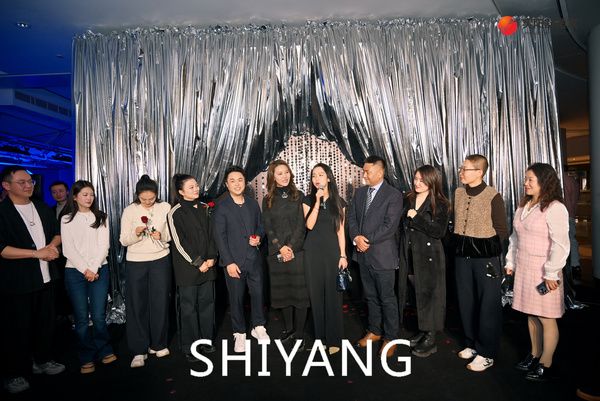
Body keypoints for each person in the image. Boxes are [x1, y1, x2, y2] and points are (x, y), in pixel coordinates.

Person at [0, 166, 65, 394]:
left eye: (31, 181)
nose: (29, 185)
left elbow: (57, 233)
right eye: (22, 182)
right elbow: (2, 249)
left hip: (46, 278)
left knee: (45, 323)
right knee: (17, 329)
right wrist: (36, 253)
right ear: (6, 185)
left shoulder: (41, 207)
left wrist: (51, 247)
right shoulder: (3, 212)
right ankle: (14, 373)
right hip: (18, 282)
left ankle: (43, 360)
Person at [505, 163, 569, 381]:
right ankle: (534, 354)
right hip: (525, 268)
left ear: (544, 181)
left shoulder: (555, 207)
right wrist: (510, 262)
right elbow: (515, 238)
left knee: (546, 317)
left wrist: (551, 273)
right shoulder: (524, 206)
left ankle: (546, 362)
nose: (525, 183)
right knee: (531, 314)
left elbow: (561, 244)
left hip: (545, 271)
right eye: (525, 179)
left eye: (530, 179)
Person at [453, 154, 508, 372]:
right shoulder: (458, 193)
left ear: (479, 172)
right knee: (466, 301)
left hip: (485, 260)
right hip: (462, 259)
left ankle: (487, 352)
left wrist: (483, 247)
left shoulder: (493, 195)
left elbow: (501, 231)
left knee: (488, 304)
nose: (461, 172)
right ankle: (471, 343)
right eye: (461, 168)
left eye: (465, 169)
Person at [347, 155, 403, 358]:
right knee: (370, 296)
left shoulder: (393, 195)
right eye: (363, 170)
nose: (364, 174)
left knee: (387, 298)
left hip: (382, 257)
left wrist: (366, 240)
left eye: (367, 171)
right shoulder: (360, 193)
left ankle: (391, 338)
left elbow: (389, 226)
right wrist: (356, 238)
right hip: (363, 256)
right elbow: (351, 218)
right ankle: (375, 331)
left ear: (380, 172)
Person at [61, 180, 116, 374]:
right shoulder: (66, 219)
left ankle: (104, 349)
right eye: (84, 194)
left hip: (100, 269)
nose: (89, 198)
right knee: (82, 317)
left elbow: (104, 246)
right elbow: (68, 249)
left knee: (99, 315)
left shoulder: (101, 217)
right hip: (74, 271)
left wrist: (93, 268)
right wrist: (86, 269)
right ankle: (86, 356)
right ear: (75, 197)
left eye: (91, 194)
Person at [213, 166, 270, 353]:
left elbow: (261, 226)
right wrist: (228, 262)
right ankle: (239, 333)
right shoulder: (221, 207)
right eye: (232, 181)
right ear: (226, 184)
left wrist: (258, 237)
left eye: (240, 180)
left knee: (258, 293)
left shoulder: (252, 204)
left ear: (245, 182)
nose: (237, 184)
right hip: (234, 262)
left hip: (253, 258)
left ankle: (258, 326)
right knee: (236, 298)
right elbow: (220, 237)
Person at [120, 175, 172, 368]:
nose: (148, 202)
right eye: (144, 199)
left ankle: (158, 344)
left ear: (157, 194)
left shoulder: (165, 207)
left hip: (160, 259)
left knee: (160, 302)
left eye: (152, 198)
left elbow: (171, 235)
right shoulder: (130, 210)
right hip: (136, 261)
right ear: (137, 195)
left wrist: (162, 235)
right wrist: (135, 234)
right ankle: (139, 350)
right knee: (137, 304)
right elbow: (123, 240)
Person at [398, 165, 449, 358]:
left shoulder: (441, 203)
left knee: (430, 295)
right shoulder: (408, 198)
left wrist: (417, 217)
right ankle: (423, 329)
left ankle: (430, 337)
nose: (417, 183)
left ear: (431, 180)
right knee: (417, 293)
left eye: (422, 180)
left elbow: (439, 231)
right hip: (410, 253)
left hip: (429, 256)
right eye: (415, 179)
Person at [167, 174, 218, 361]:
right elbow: (179, 243)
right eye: (191, 187)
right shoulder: (175, 212)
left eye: (196, 185)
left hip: (208, 265)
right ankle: (190, 346)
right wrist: (198, 262)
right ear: (181, 191)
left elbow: (212, 235)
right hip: (188, 269)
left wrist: (212, 257)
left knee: (207, 304)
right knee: (188, 308)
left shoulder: (205, 207)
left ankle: (206, 340)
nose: (196, 189)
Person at [262, 160, 309, 347]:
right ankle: (289, 329)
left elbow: (301, 225)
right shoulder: (267, 199)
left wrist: (290, 247)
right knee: (284, 294)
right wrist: (280, 247)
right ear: (273, 177)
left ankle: (299, 334)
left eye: (286, 172)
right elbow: (268, 227)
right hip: (276, 252)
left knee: (300, 295)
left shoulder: (299, 196)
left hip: (298, 252)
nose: (284, 176)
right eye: (279, 173)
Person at [303, 163, 348, 355]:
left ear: (328, 178)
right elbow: (309, 225)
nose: (317, 178)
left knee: (333, 296)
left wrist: (343, 254)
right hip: (312, 252)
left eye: (320, 175)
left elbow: (341, 231)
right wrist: (317, 201)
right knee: (316, 296)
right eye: (314, 175)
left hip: (332, 253)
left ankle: (334, 338)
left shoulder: (339, 202)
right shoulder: (307, 199)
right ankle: (320, 338)